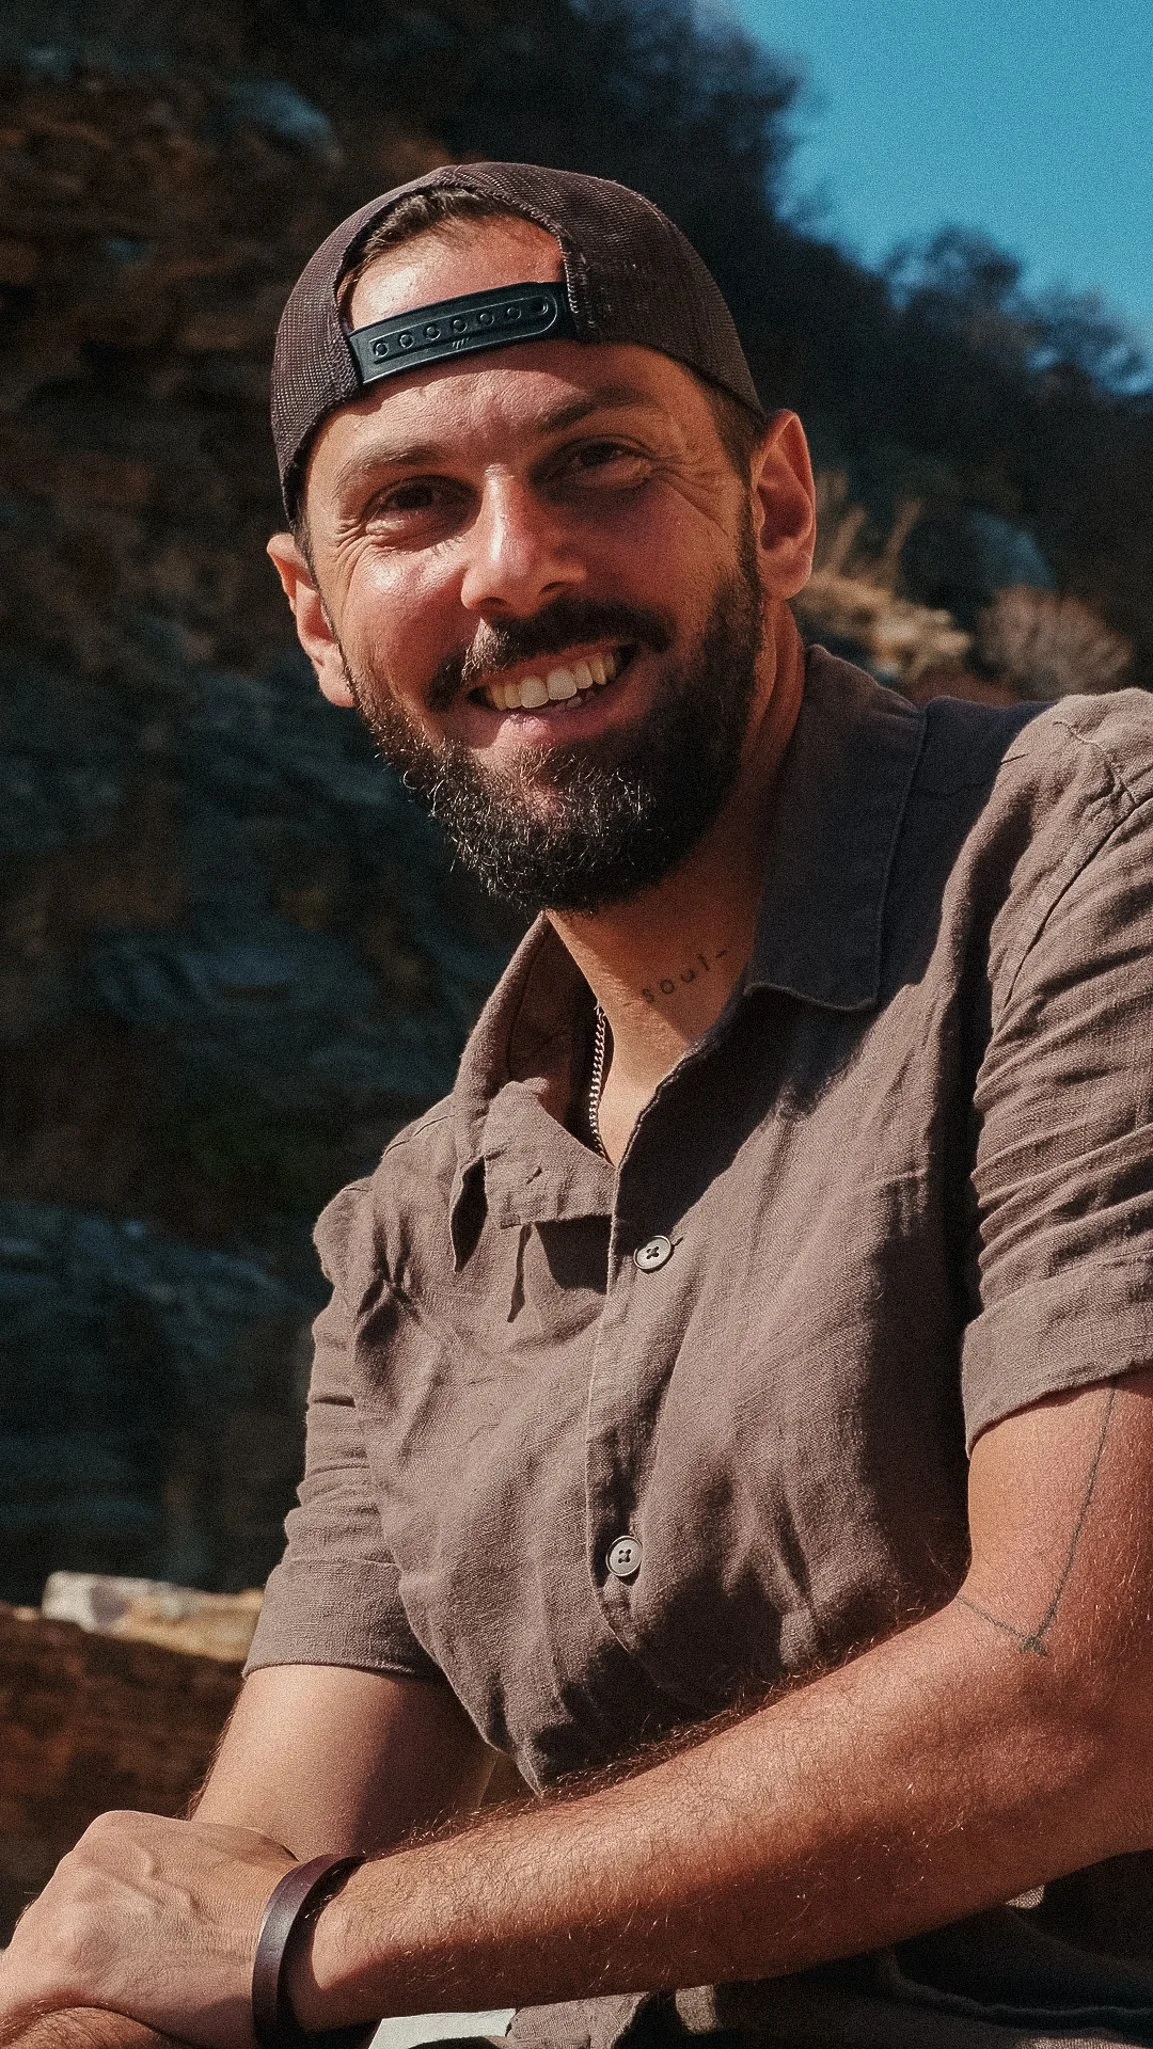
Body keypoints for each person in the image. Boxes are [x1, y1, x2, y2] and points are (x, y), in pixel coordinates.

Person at [3, 161, 1153, 2049]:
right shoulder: (411, 1243)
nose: (514, 569)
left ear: (775, 508)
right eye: (410, 506)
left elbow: (1089, 1693)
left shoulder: (1085, 858)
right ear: (315, 619)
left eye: (598, 461)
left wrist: (314, 1943)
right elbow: (216, 1890)